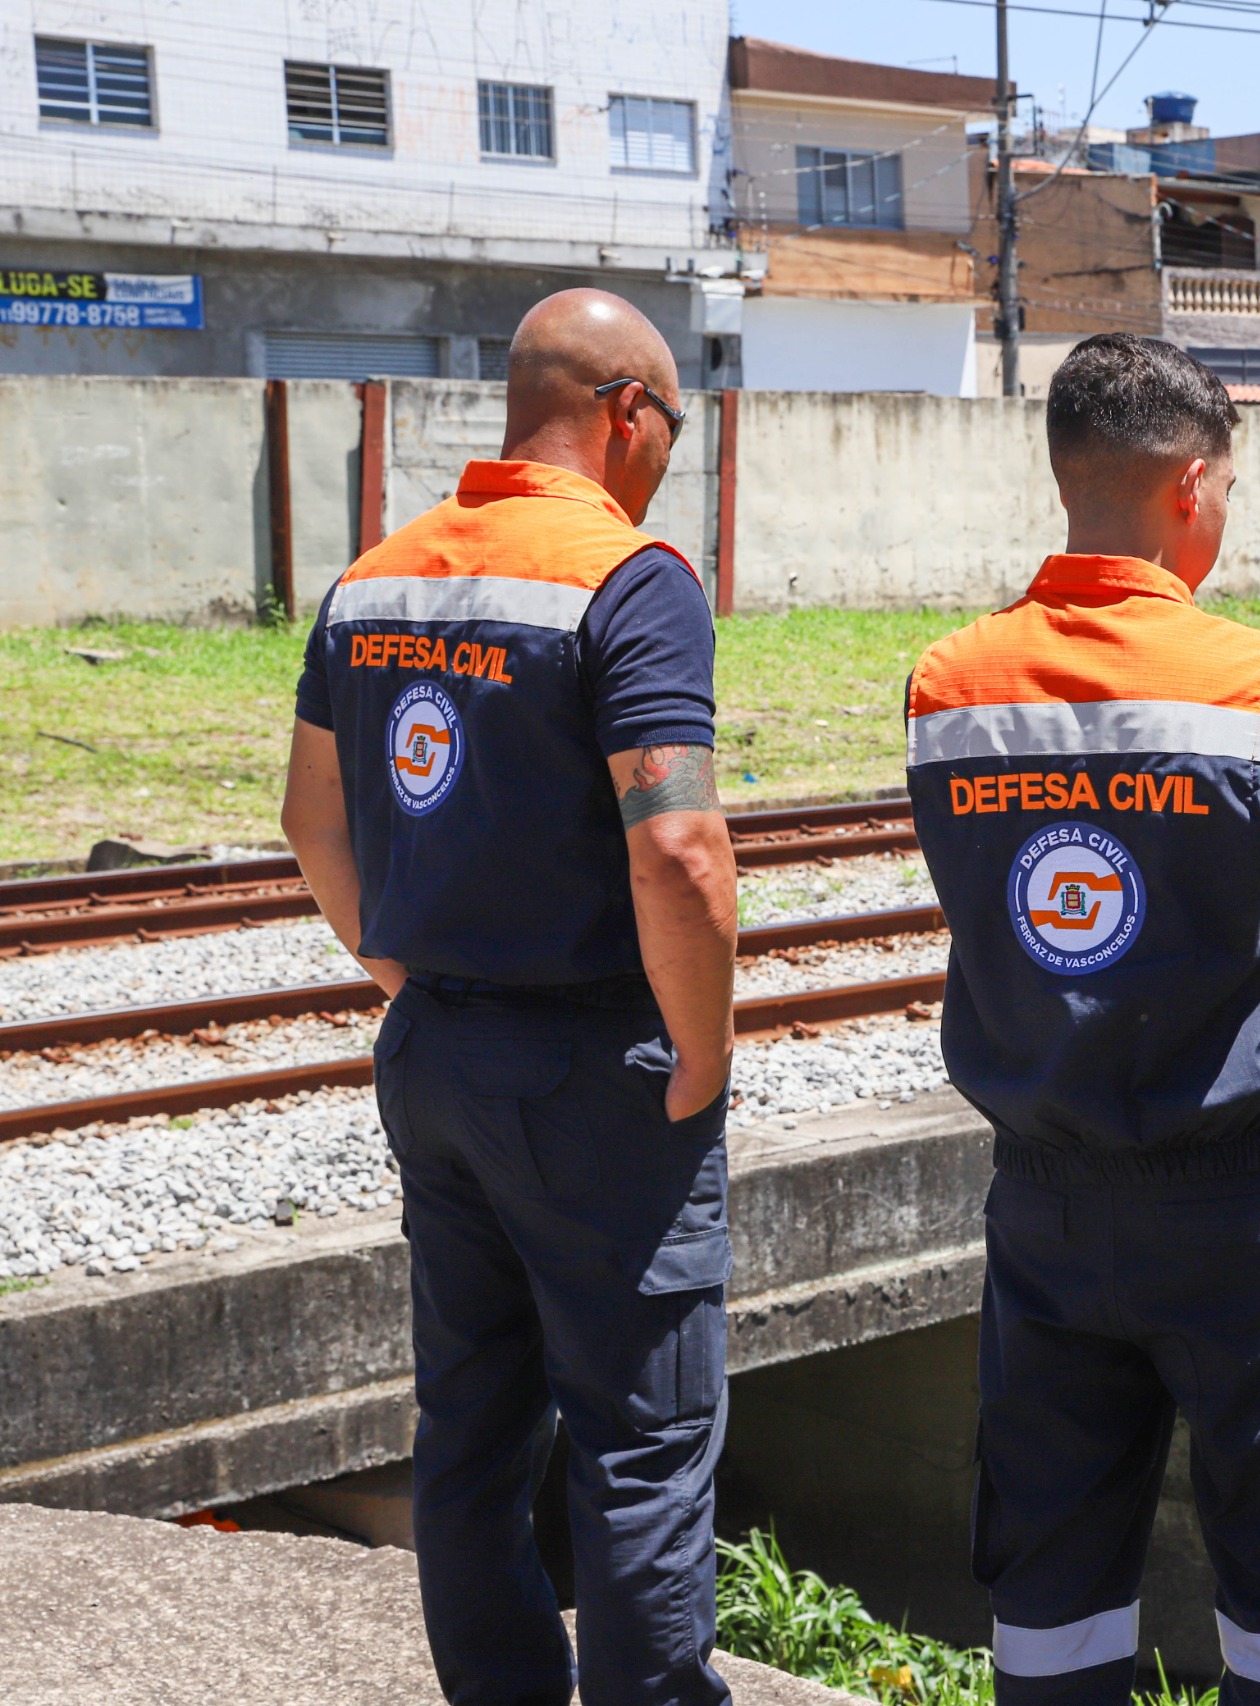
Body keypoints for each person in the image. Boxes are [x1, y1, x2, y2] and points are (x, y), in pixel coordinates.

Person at [903, 334, 1260, 1706]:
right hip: (1243, 1208)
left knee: (1050, 1591)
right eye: (1228, 485)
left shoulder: (949, 683)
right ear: (1189, 486)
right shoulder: (1257, 680)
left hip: (1045, 1208)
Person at [281, 288, 736, 1706]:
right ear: (627, 413)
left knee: (470, 1424)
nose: (666, 461)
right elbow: (678, 845)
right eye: (673, 430)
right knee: (643, 1437)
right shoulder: (630, 579)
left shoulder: (375, 579)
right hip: (595, 1067)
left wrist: (404, 974)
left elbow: (311, 818)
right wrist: (704, 1051)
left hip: (434, 1055)